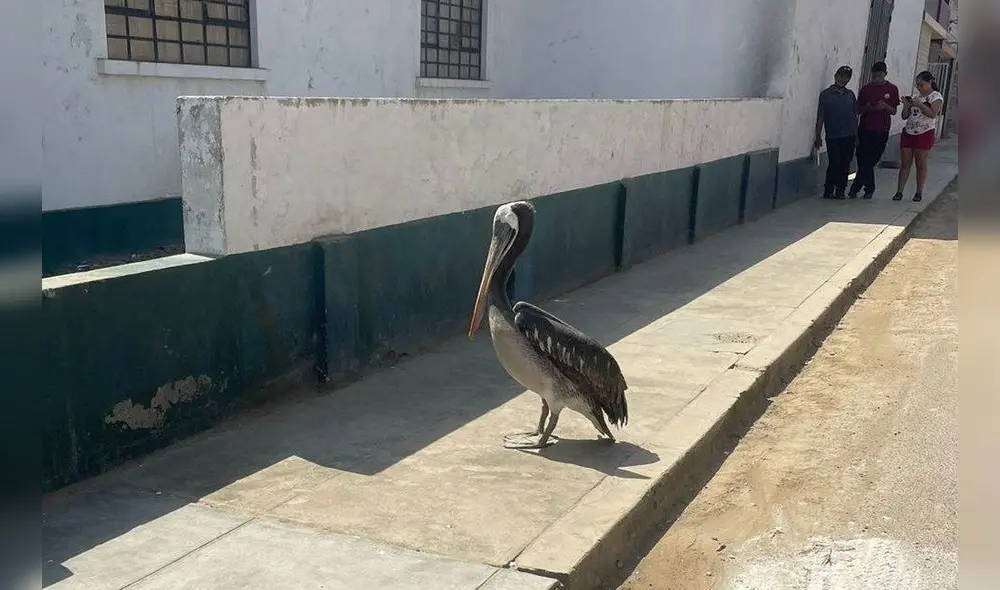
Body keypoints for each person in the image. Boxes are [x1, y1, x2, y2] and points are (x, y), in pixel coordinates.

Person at [849, 62, 900, 199]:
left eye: (880, 75)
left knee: (871, 160)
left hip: (881, 129)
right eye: (875, 76)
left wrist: (885, 107)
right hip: (865, 128)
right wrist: (868, 107)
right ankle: (867, 188)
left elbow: (894, 111)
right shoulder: (866, 89)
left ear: (885, 74)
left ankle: (857, 186)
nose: (877, 78)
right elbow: (858, 109)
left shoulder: (892, 89)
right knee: (862, 159)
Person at [893, 70, 944, 202]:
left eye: (921, 84)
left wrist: (920, 105)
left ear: (929, 82)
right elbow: (905, 116)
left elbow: (932, 114)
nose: (919, 87)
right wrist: (907, 105)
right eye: (917, 85)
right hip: (909, 131)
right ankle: (899, 191)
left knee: (920, 163)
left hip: (924, 132)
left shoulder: (936, 96)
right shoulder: (916, 96)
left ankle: (919, 191)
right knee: (905, 163)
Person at [814, 65, 858, 199]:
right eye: (841, 76)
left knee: (845, 164)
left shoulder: (850, 95)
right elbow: (820, 116)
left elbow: (854, 115)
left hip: (849, 135)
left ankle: (840, 190)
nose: (843, 79)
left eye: (846, 77)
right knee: (834, 163)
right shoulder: (825, 95)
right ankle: (828, 190)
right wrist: (818, 135)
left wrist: (856, 135)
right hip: (833, 135)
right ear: (835, 76)